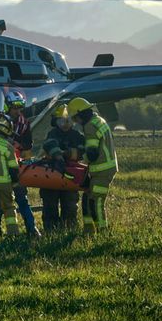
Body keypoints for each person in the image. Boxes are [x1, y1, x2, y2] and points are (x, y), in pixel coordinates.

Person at [0, 91, 41, 237]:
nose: (18, 111)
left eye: (20, 107)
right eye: (15, 107)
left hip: (15, 166)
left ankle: (32, 229)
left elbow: (28, 144)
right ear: (7, 106)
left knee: (22, 199)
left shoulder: (24, 124)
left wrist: (18, 144)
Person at [67, 97, 118, 234]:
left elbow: (92, 154)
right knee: (87, 199)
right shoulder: (98, 120)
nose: (75, 122)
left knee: (96, 202)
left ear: (80, 114)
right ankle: (88, 230)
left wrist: (76, 157)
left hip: (102, 170)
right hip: (103, 168)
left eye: (75, 118)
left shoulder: (90, 126)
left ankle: (103, 232)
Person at [40, 104, 84, 233]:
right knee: (50, 205)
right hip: (52, 175)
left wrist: (65, 154)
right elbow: (50, 144)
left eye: (68, 120)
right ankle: (51, 230)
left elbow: (82, 151)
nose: (65, 124)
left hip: (70, 176)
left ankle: (69, 229)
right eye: (62, 120)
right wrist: (59, 156)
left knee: (70, 204)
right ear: (56, 121)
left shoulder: (77, 136)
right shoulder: (52, 134)